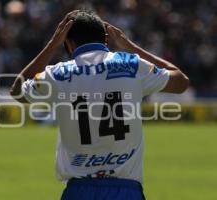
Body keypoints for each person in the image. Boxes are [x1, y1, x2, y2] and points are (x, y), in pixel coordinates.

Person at [10, 10, 189, 200]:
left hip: (78, 190)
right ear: (105, 39)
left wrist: (52, 44)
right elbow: (181, 81)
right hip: (126, 190)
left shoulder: (57, 74)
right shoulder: (131, 65)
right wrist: (130, 47)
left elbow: (17, 91)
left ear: (68, 44)